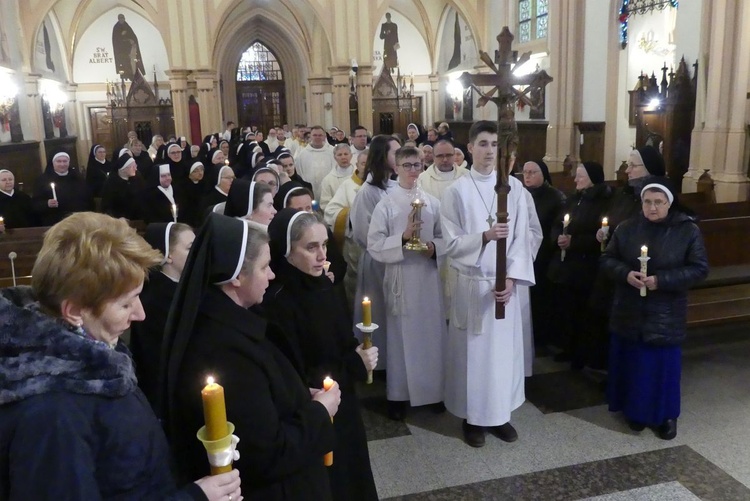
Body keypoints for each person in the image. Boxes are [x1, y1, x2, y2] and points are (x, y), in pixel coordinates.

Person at [0, 212, 240, 500]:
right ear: (75, 311)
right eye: (126, 304)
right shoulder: (52, 415)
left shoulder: (95, 357)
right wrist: (195, 498)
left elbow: (123, 466)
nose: (141, 314)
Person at [161, 213, 340, 499]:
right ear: (236, 278)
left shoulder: (234, 319)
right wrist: (321, 411)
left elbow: (261, 394)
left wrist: (294, 393)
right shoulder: (224, 350)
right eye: (265, 267)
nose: (272, 274)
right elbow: (266, 452)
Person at [264, 209, 378, 501]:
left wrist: (358, 350)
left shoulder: (325, 285)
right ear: (287, 251)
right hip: (313, 410)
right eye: (310, 247)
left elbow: (341, 336)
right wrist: (354, 363)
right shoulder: (279, 301)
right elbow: (294, 374)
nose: (321, 255)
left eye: (324, 245)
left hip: (344, 402)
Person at [441, 121, 539, 448]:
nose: (489, 151)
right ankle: (473, 418)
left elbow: (525, 238)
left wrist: (511, 278)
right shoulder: (456, 190)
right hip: (472, 286)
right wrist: (484, 236)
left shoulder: (515, 189)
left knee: (502, 357)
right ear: (469, 147)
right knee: (474, 358)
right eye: (482, 143)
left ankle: (500, 416)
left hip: (504, 289)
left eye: (495, 144)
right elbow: (450, 243)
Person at [601, 181, 708, 440]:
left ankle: (665, 417)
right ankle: (634, 412)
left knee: (662, 371)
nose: (652, 207)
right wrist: (626, 274)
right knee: (634, 366)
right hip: (630, 310)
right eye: (647, 202)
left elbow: (699, 268)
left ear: (669, 204)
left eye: (658, 202)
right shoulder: (627, 228)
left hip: (665, 314)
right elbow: (607, 259)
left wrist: (661, 281)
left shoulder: (687, 230)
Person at [368, 146, 446, 420]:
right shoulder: (386, 204)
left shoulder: (433, 203)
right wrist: (402, 238)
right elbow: (374, 245)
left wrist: (434, 248)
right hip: (401, 276)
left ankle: (433, 393)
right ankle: (398, 395)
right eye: (408, 165)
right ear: (396, 168)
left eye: (418, 165)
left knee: (431, 336)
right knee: (400, 339)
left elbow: (444, 237)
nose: (414, 170)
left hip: (426, 276)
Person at [590, 144, 666, 370]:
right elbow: (614, 223)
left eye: (633, 165)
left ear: (649, 169)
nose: (627, 170)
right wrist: (604, 232)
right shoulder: (624, 194)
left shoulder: (655, 200)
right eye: (628, 165)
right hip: (616, 270)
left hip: (637, 275)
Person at [547, 162, 611, 368]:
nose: (575, 179)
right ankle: (568, 347)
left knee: (584, 312)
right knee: (567, 309)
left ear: (592, 178)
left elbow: (600, 236)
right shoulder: (574, 199)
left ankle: (583, 354)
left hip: (586, 265)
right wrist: (557, 237)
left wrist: (574, 242)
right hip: (566, 266)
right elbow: (558, 224)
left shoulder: (603, 202)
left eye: (580, 176)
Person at [350, 135, 400, 379]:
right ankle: (378, 366)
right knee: (378, 315)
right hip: (377, 262)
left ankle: (395, 361)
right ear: (383, 156)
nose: (400, 158)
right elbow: (361, 233)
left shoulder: (396, 185)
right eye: (395, 153)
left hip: (396, 261)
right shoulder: (368, 192)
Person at [130, 222, 195, 410]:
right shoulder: (155, 299)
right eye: (190, 248)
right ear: (169, 256)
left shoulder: (181, 287)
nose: (197, 253)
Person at [522, 160, 566, 349]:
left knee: (542, 300)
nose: (528, 176)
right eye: (525, 172)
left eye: (533, 172)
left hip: (545, 257)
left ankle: (541, 340)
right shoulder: (520, 195)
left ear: (543, 174)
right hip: (524, 255)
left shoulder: (555, 197)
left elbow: (556, 227)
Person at [324, 151, 367, 306]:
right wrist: (352, 214)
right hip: (355, 247)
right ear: (357, 165)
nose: (367, 167)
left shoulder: (384, 185)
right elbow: (330, 212)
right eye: (363, 164)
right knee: (355, 289)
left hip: (380, 248)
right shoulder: (348, 185)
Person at [32, 152, 94, 226]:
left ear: (69, 162)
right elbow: (35, 204)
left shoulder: (78, 178)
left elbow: (89, 199)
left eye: (65, 161)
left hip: (78, 221)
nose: (62, 164)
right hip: (55, 222)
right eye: (59, 161)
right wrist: (47, 204)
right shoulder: (43, 180)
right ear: (53, 163)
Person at [295, 125, 336, 200]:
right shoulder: (303, 154)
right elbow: (299, 173)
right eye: (315, 135)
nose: (317, 137)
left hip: (328, 190)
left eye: (320, 135)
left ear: (324, 136)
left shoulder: (332, 152)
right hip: (310, 190)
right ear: (310, 136)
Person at [101, 154, 143, 220]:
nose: (135, 168)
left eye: (135, 165)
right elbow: (106, 206)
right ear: (124, 168)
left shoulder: (137, 178)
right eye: (133, 166)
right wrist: (118, 218)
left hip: (137, 218)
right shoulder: (111, 183)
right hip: (118, 220)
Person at [319, 144, 353, 211]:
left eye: (346, 154)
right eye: (339, 155)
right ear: (335, 157)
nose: (343, 157)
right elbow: (325, 204)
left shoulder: (360, 175)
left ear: (351, 156)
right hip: (337, 218)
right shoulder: (328, 180)